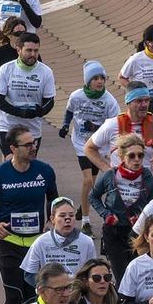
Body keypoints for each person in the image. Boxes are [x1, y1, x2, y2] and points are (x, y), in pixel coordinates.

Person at [0, 125, 60, 304]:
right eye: (27, 145)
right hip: (8, 243)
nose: (33, 147)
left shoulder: (45, 170)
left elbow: (54, 200)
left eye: (34, 143)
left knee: (32, 297)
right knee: (14, 296)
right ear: (13, 148)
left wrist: (51, 219)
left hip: (35, 244)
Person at [89, 135, 153, 284]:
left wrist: (143, 218)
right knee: (122, 279)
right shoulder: (110, 175)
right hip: (114, 234)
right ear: (122, 156)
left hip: (137, 234)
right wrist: (106, 214)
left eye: (140, 155)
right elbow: (93, 197)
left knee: (139, 277)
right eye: (132, 156)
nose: (137, 160)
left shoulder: (147, 176)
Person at [61, 60, 120, 227]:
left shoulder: (109, 101)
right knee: (87, 181)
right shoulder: (76, 96)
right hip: (81, 143)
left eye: (102, 78)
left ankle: (83, 206)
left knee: (92, 184)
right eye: (95, 78)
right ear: (88, 81)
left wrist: (95, 128)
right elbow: (69, 111)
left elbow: (114, 126)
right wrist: (65, 125)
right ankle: (86, 222)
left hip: (98, 145)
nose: (100, 82)